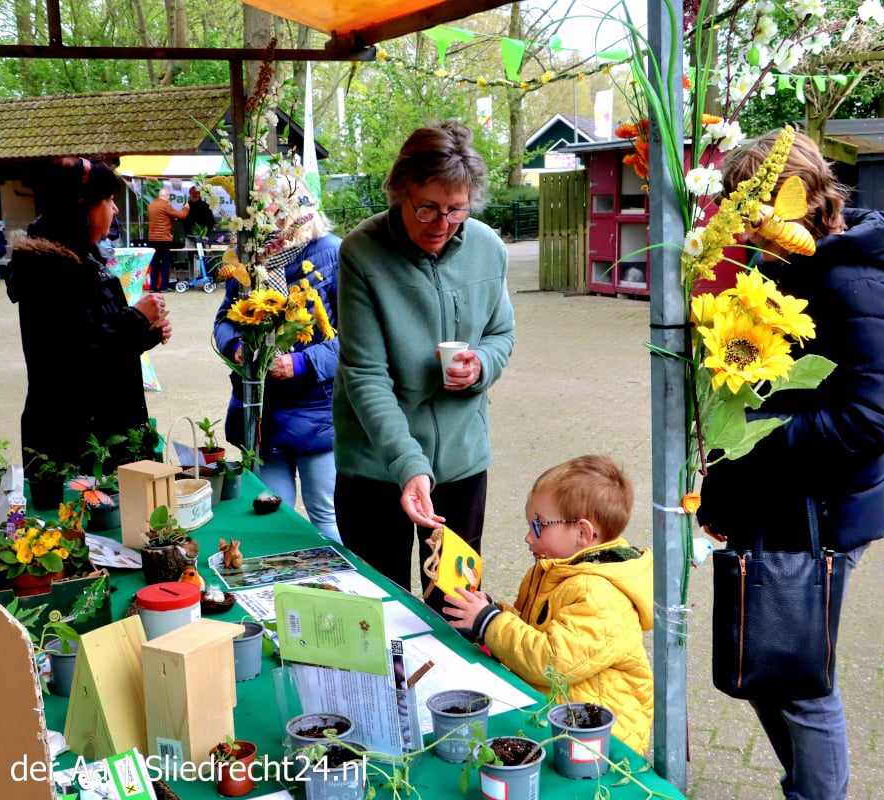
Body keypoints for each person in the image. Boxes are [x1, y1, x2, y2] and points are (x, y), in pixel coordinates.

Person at [696, 130, 884, 800]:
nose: (741, 224)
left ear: (795, 197)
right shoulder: (792, 262)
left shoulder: (855, 279)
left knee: (798, 678)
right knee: (770, 665)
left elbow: (869, 420)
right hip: (783, 505)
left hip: (823, 513)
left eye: (749, 206)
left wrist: (752, 438)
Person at [333, 120, 515, 614]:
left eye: (456, 209)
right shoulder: (362, 253)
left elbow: (501, 333)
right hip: (376, 469)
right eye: (427, 208)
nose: (442, 223)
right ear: (400, 193)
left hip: (460, 465)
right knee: (379, 612)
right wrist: (409, 466)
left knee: (455, 606)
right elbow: (365, 375)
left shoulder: (488, 248)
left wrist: (481, 366)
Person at [444, 454, 654, 754]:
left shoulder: (600, 594)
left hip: (595, 741)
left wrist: (490, 623)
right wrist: (493, 612)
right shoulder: (555, 569)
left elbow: (552, 662)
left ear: (583, 533)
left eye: (538, 525)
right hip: (558, 712)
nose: (528, 537)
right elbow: (533, 630)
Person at [6, 157, 172, 476]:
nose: (116, 209)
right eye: (108, 200)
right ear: (81, 207)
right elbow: (76, 358)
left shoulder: (80, 259)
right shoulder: (52, 270)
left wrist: (147, 330)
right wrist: (137, 318)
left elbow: (99, 336)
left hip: (101, 427)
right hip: (77, 439)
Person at [213, 179, 341, 541]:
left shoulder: (333, 254)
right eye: (258, 210)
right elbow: (224, 320)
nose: (265, 218)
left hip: (316, 411)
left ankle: (335, 578)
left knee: (325, 515)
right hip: (263, 411)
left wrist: (301, 363)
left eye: (271, 208)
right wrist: (235, 346)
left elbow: (358, 340)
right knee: (270, 517)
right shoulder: (249, 257)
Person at [146, 187, 189, 292]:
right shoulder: (166, 206)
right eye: (168, 196)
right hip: (164, 238)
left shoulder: (151, 206)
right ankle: (164, 287)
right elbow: (181, 216)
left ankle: (153, 287)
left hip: (152, 238)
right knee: (165, 263)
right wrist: (186, 208)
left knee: (155, 263)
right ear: (166, 196)